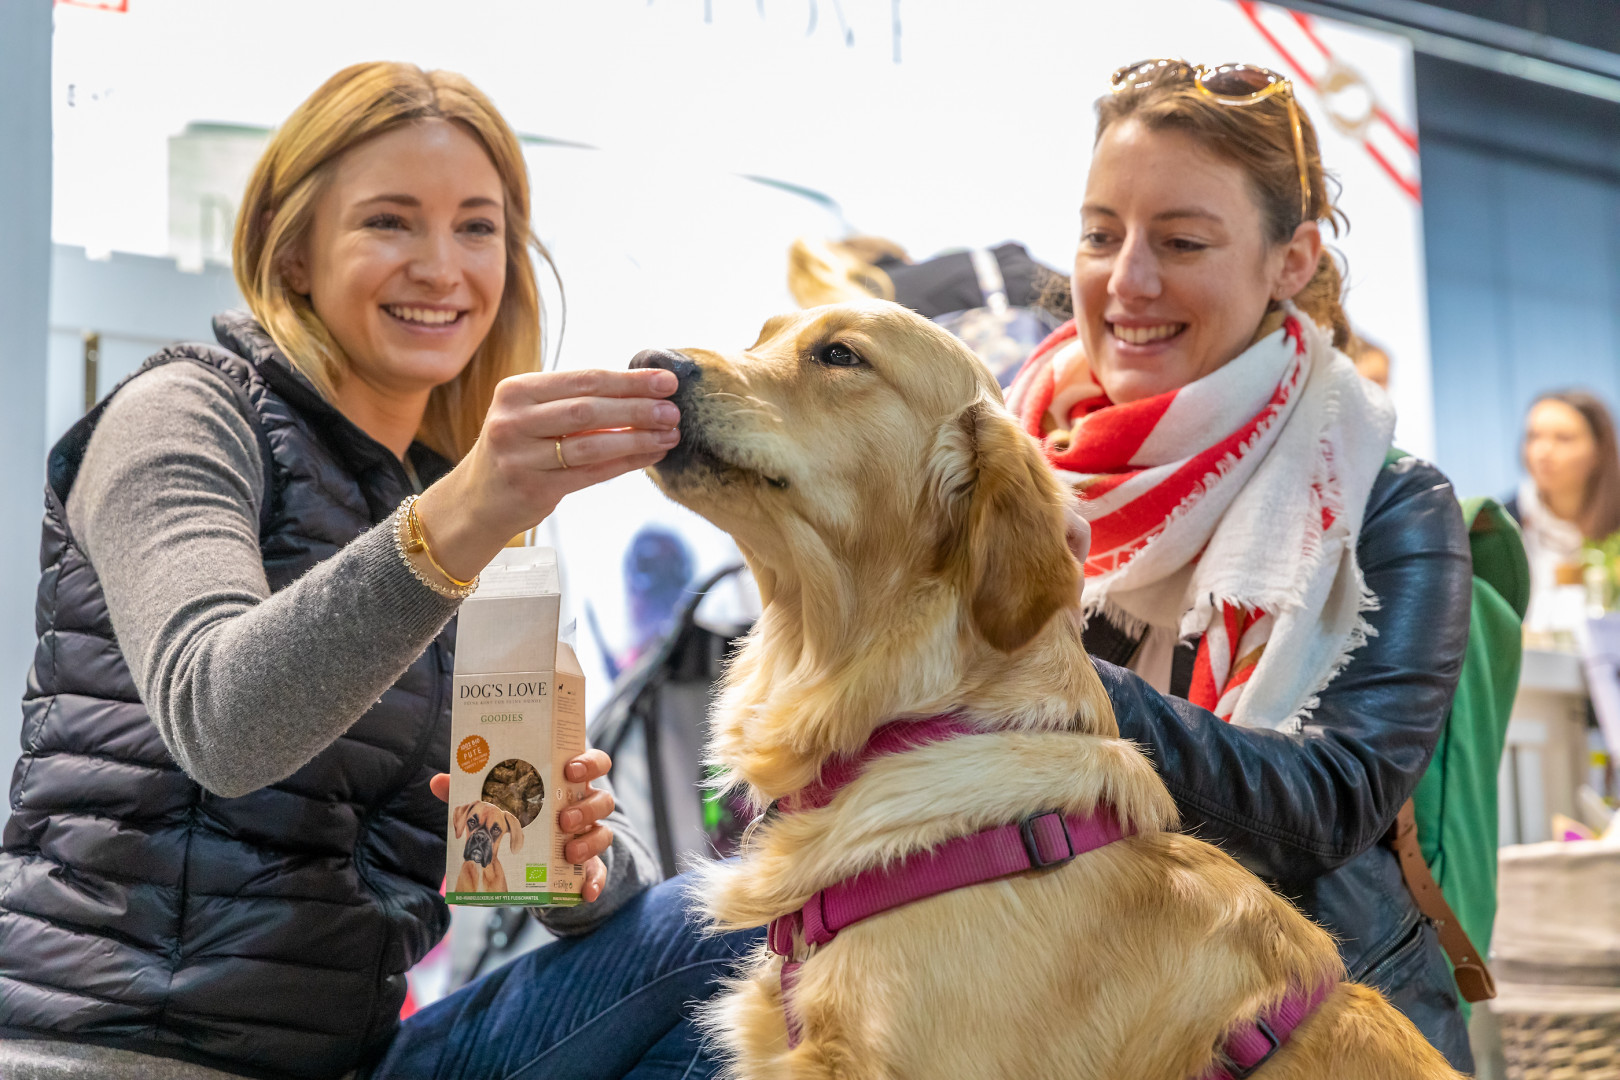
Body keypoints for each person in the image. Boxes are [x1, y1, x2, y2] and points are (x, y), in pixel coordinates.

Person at [0, 62, 753, 1080]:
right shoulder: (183, 416)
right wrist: (467, 511)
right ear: (295, 252)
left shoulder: (465, 504)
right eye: (391, 222)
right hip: (112, 1050)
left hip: (358, 1057)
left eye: (477, 227)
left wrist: (578, 864)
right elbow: (223, 724)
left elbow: (536, 847)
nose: (443, 268)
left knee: (752, 932)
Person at [1006, 59, 1475, 1069]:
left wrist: (1052, 685)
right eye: (1100, 235)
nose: (1127, 281)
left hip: (1301, 1026)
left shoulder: (1389, 503)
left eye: (1181, 242)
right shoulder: (1005, 471)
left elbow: (1329, 806)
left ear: (1290, 259)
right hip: (1046, 1005)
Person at [1505, 389, 1620, 632]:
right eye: (1533, 437)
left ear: (1599, 450)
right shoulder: (1500, 524)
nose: (1543, 451)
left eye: (1563, 438)